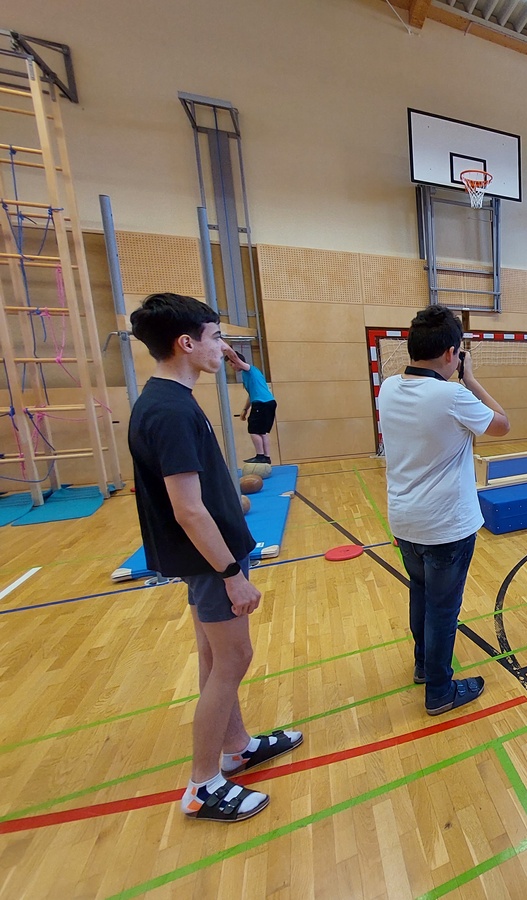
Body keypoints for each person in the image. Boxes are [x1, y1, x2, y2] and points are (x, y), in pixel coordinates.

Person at [128, 292, 302, 823]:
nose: (222, 347)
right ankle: (203, 785)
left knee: (214, 657)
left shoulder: (169, 400)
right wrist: (230, 573)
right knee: (233, 659)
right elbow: (188, 509)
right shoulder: (171, 411)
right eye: (216, 336)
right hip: (210, 562)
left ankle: (237, 747)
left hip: (208, 559)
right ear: (186, 343)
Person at [378, 304, 509, 715]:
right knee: (443, 608)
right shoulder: (453, 396)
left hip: (405, 521)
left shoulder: (387, 387)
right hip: (446, 526)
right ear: (452, 353)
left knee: (420, 594)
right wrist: (470, 379)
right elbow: (502, 423)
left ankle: (424, 666)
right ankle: (439, 690)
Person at [224, 348, 276, 464]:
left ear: (236, 362)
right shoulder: (247, 374)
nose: (232, 367)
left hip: (262, 403)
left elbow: (234, 357)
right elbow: (251, 394)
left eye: (231, 364)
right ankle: (266, 457)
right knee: (262, 432)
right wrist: (245, 409)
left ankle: (260, 456)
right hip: (268, 402)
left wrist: (226, 349)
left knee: (253, 430)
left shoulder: (249, 369)